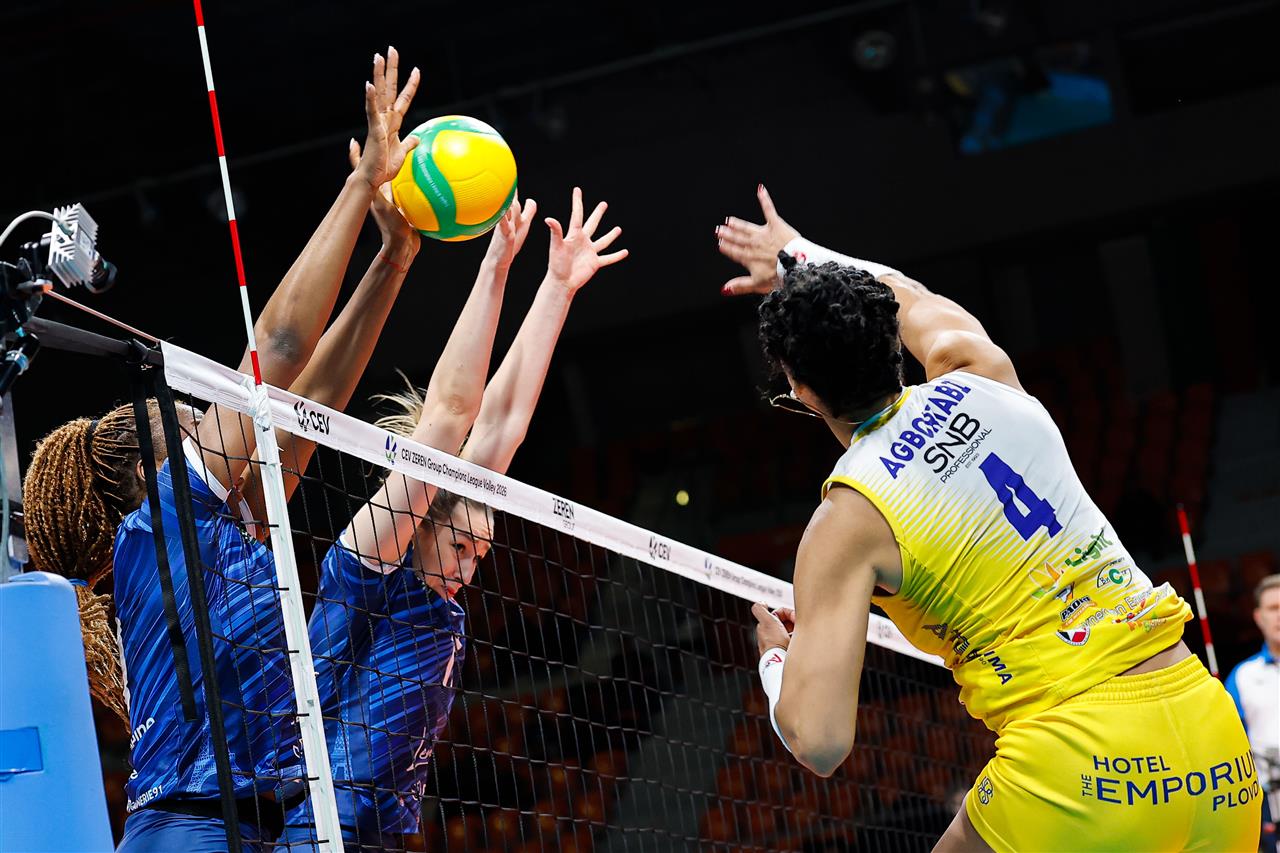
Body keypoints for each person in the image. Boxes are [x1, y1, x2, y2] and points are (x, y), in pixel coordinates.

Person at [719, 185, 1261, 852]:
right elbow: (908, 291)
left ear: (800, 391)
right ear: (891, 339)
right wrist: (797, 253)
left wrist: (778, 659)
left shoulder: (846, 518)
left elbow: (819, 741)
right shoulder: (978, 369)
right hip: (1212, 737)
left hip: (1083, 766)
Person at [22, 47, 425, 851]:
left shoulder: (220, 528)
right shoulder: (163, 521)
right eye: (190, 420)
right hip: (191, 830)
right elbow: (278, 348)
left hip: (244, 828)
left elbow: (313, 402)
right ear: (151, 472)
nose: (206, 419)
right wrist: (358, 185)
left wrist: (393, 259)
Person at [277, 187, 626, 851]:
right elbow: (454, 412)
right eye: (461, 545)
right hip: (315, 823)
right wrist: (496, 264)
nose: (468, 567)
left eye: (479, 555)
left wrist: (556, 286)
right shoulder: (371, 570)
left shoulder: (441, 602)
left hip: (381, 831)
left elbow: (505, 422)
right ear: (422, 524)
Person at [1226, 574, 1280, 852]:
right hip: (1271, 800)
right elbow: (1230, 745)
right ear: (1259, 617)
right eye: (1273, 608)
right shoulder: (1242, 676)